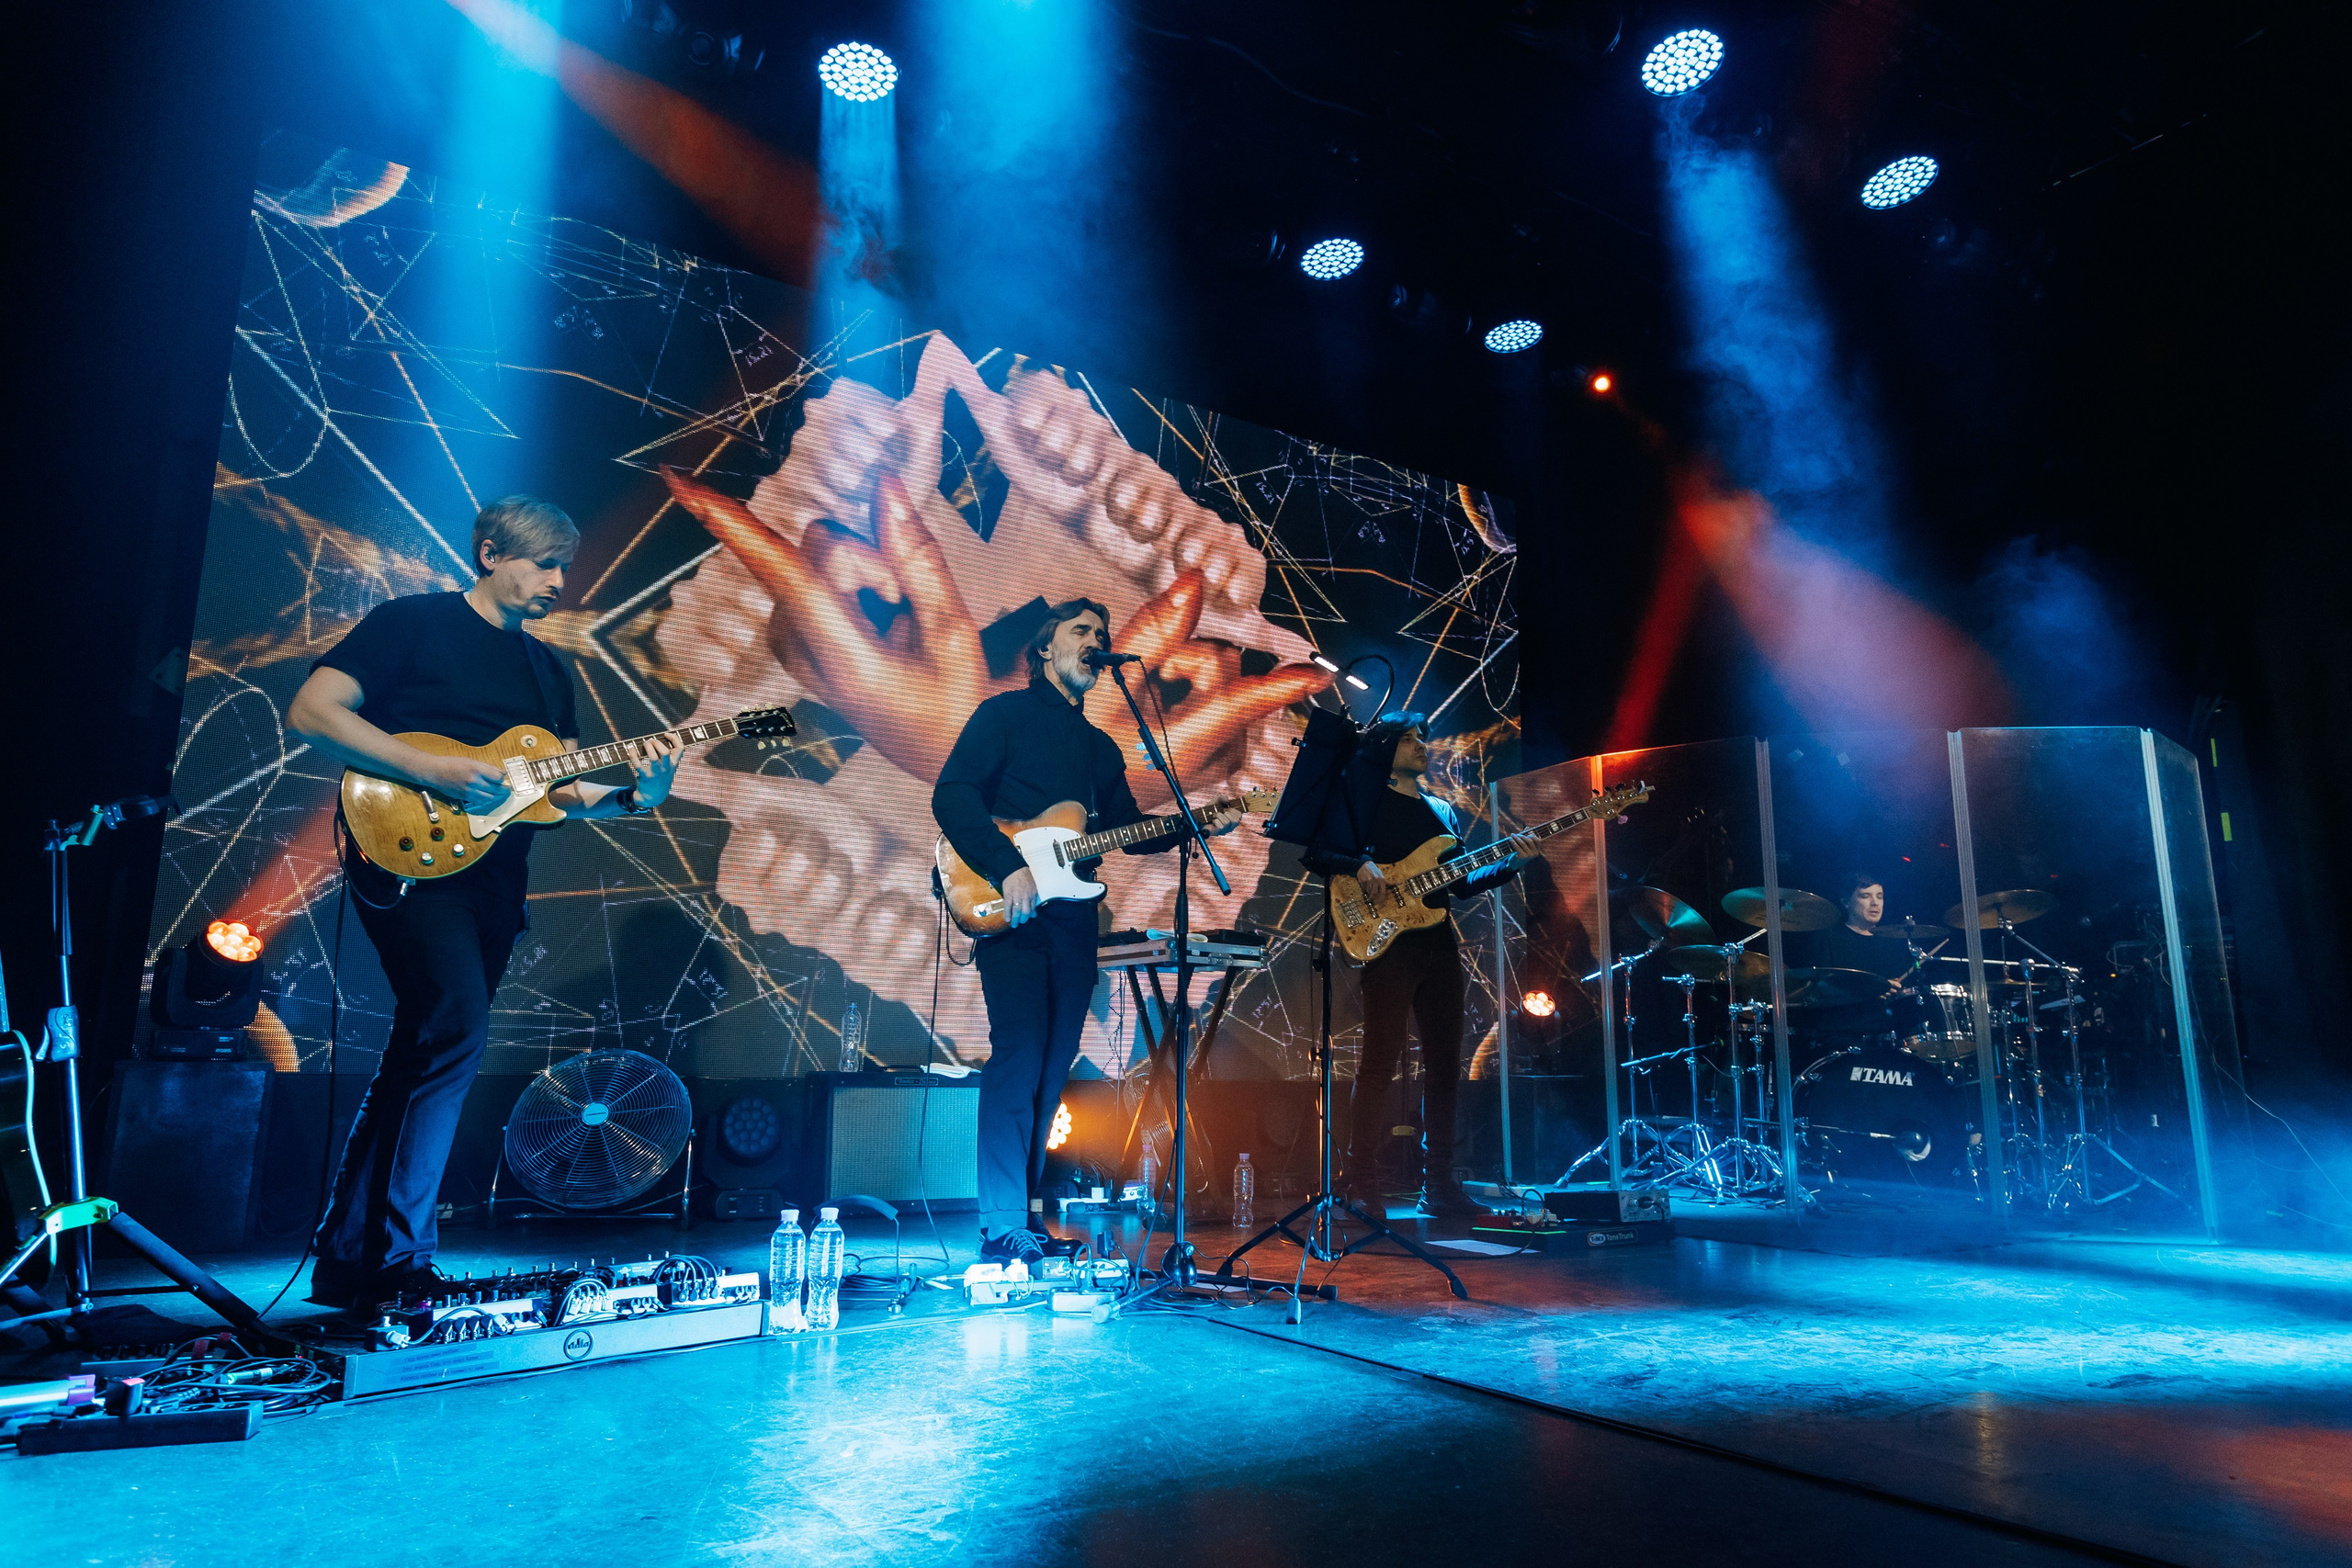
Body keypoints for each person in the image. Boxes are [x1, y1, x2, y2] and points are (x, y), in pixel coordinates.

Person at [286, 496, 680, 1310]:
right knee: (455, 1023)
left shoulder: (547, 670)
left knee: (426, 1045)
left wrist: (633, 797)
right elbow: (312, 711)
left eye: (567, 567)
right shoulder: (410, 624)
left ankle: (348, 1254)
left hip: (497, 879)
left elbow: (558, 792)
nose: (560, 582)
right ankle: (399, 1259)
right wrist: (429, 769)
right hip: (405, 853)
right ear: (491, 552)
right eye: (544, 563)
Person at [930, 599, 1243, 1268]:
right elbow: (952, 795)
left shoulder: (1100, 747)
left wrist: (1196, 822)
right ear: (1045, 650)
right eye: (1082, 631)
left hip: (1074, 922)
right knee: (1018, 1055)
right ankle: (998, 1224)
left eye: (1103, 634)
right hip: (1011, 908)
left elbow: (1128, 829)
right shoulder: (1002, 716)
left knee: (1051, 1069)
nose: (1096, 642)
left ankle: (1023, 1218)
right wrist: (1010, 867)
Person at [1342, 713, 1529, 1218]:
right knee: (1379, 1061)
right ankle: (1361, 1183)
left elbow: (1461, 882)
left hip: (1439, 944)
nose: (1421, 745)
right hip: (1387, 943)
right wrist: (1361, 863)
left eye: (1423, 737)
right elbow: (1325, 850)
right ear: (1385, 749)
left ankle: (1439, 1184)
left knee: (1446, 1065)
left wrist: (1511, 861)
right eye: (1409, 739)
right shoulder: (1364, 800)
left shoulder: (1442, 812)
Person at [1812, 873, 1915, 982]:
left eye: (1879, 897)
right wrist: (1875, 990)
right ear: (1846, 902)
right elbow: (1821, 988)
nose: (1875, 903)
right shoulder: (1828, 938)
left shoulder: (1892, 941)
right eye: (1865, 896)